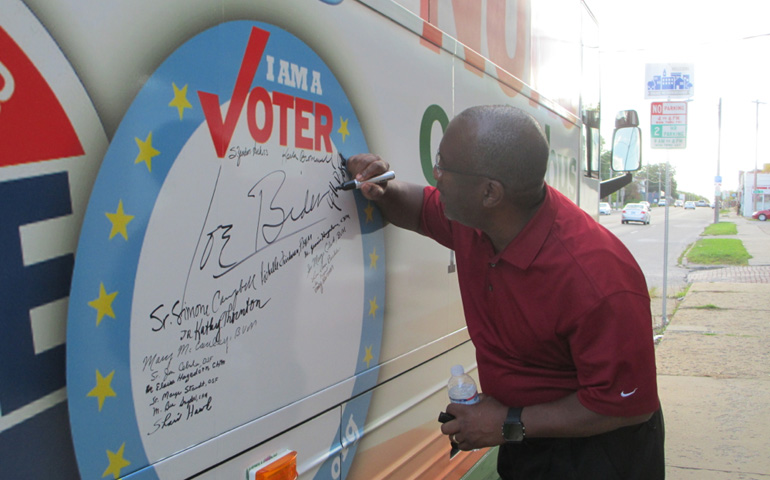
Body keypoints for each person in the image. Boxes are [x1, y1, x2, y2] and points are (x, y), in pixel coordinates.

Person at [345, 105, 664, 479]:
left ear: (490, 193)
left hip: (599, 453)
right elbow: (416, 209)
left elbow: (626, 407)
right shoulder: (477, 221)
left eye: (444, 167)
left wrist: (510, 422)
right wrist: (381, 188)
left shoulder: (598, 280)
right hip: (527, 439)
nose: (436, 177)